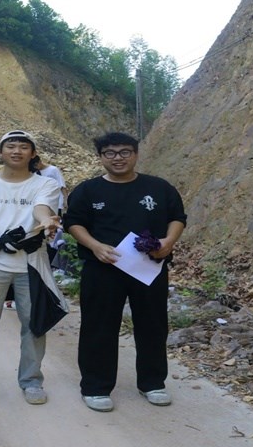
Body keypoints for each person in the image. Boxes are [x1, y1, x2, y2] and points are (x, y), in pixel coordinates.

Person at [63, 132, 186, 412]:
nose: (118, 158)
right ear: (101, 157)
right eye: (110, 153)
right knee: (98, 326)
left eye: (124, 152)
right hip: (102, 268)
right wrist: (95, 246)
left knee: (153, 325)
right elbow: (73, 223)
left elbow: (177, 217)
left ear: (136, 154)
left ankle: (153, 383)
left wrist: (168, 242)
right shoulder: (88, 190)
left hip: (148, 267)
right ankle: (95, 387)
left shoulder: (159, 188)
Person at [0, 130, 65, 408]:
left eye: (24, 147)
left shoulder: (45, 185)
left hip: (31, 262)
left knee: (34, 324)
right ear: (1, 152)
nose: (17, 151)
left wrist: (46, 221)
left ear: (32, 153)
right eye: (11, 146)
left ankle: (31, 381)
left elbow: (42, 209)